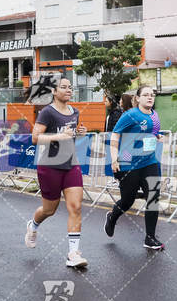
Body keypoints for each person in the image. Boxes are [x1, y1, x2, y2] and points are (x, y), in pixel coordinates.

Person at [24, 76, 89, 268]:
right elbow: (35, 138)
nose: (68, 90)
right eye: (64, 87)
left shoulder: (74, 112)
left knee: (75, 207)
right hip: (50, 166)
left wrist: (80, 133)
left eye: (70, 87)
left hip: (71, 164)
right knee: (49, 210)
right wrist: (61, 136)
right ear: (54, 91)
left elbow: (71, 135)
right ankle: (33, 226)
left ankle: (73, 254)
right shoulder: (47, 112)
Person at [104, 85, 166, 250]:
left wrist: (157, 136)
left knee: (153, 198)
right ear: (138, 98)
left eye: (152, 95)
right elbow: (116, 135)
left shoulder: (155, 115)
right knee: (128, 200)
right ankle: (112, 218)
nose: (150, 97)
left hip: (150, 162)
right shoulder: (130, 115)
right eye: (145, 95)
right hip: (128, 161)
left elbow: (151, 133)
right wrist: (114, 159)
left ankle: (150, 237)